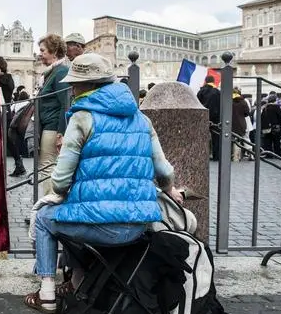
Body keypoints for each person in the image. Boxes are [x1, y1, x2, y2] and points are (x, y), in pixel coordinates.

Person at [23, 53, 181, 313]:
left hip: (104, 228)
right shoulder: (142, 119)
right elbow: (164, 171)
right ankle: (77, 282)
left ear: (91, 85)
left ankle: (47, 294)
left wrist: (62, 188)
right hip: (139, 225)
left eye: (75, 83)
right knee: (72, 213)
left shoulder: (82, 118)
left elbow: (60, 181)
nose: (71, 88)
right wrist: (171, 191)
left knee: (45, 217)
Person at [36, 34, 71, 196]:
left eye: (43, 50)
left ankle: (49, 205)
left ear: (54, 51)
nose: (40, 53)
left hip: (53, 127)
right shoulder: (53, 72)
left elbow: (65, 103)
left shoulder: (61, 71)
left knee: (47, 167)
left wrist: (61, 133)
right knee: (48, 166)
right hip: (49, 125)